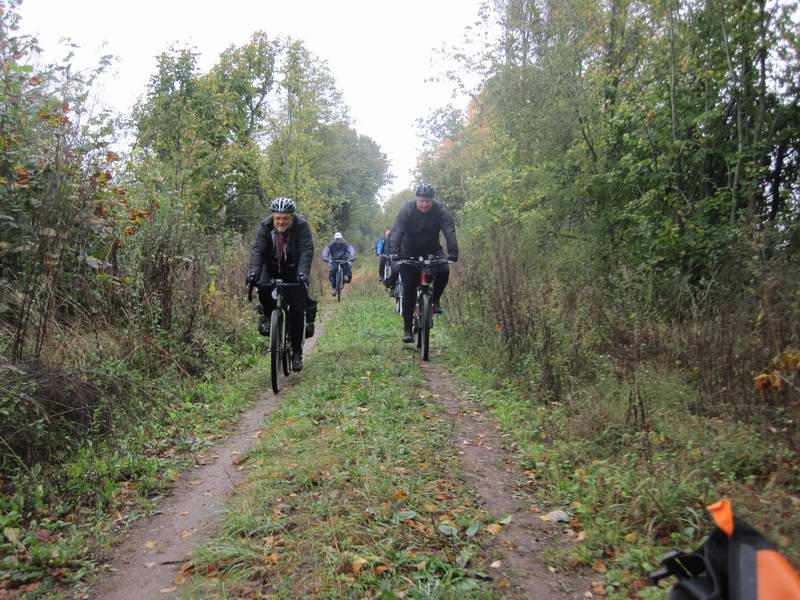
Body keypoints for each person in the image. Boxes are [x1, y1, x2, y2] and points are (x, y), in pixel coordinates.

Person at [246, 197, 314, 372]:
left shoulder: (302, 226)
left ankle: (297, 353)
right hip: (272, 267)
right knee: (262, 286)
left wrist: (303, 272)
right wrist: (253, 272)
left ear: (292, 217)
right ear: (273, 217)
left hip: (294, 269)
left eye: (285, 218)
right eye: (278, 218)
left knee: (297, 309)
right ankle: (269, 317)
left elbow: (306, 250)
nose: (281, 222)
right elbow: (258, 251)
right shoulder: (265, 227)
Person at [389, 183, 458, 343]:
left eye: (427, 201)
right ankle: (407, 329)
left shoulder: (440, 210)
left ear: (432, 201)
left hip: (432, 250)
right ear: (416, 199)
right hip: (408, 252)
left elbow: (449, 229)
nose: (424, 204)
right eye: (421, 201)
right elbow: (397, 230)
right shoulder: (407, 209)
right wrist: (395, 252)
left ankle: (435, 299)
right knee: (409, 289)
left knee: (444, 270)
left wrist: (453, 252)